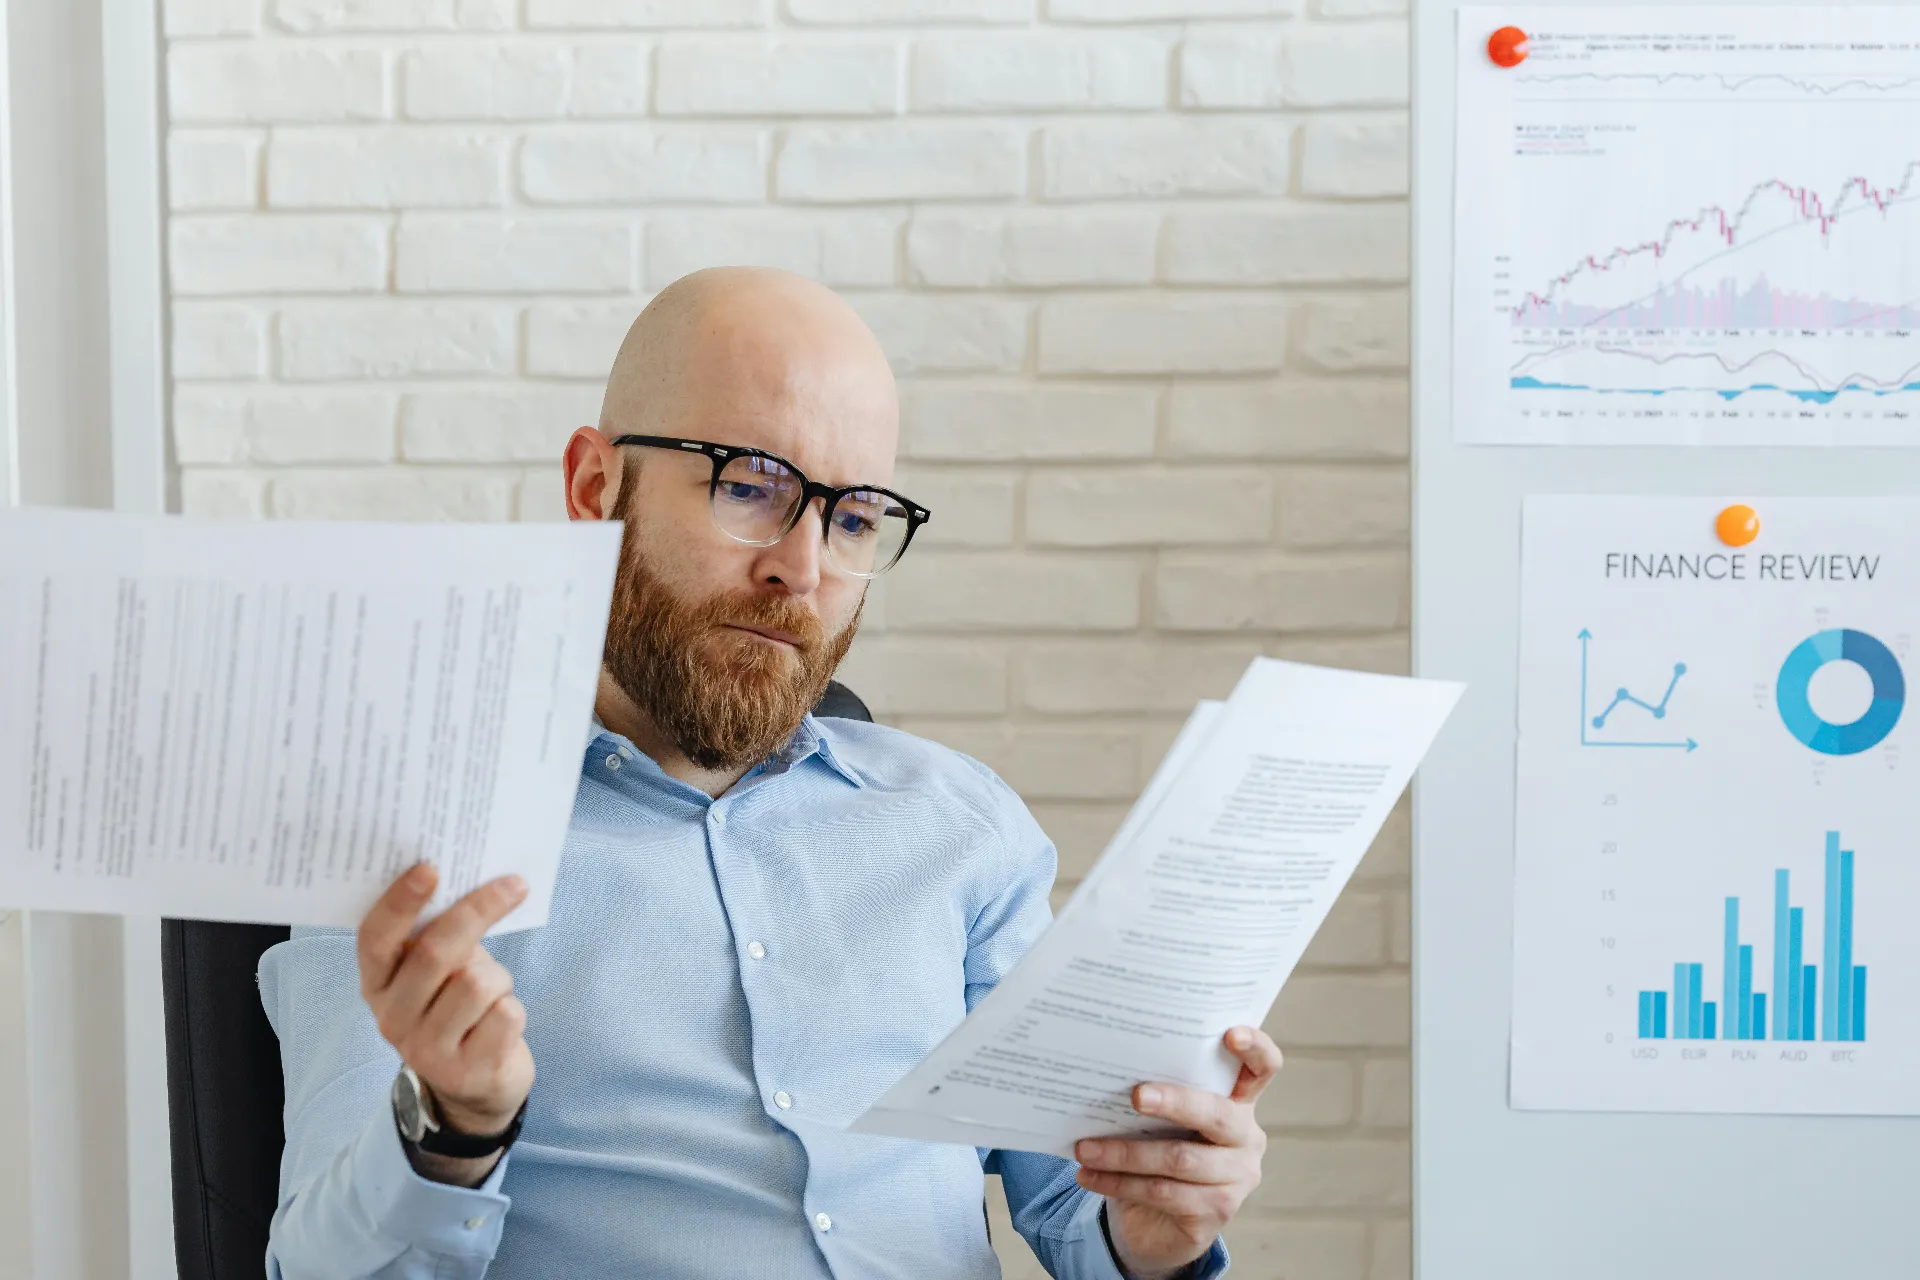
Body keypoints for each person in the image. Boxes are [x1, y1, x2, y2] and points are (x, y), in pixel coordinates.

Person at [260, 267, 1282, 1279]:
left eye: (852, 518)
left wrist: (1154, 1233)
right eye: (750, 485)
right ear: (592, 487)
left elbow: (1077, 1207)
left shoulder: (963, 827)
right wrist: (454, 1126)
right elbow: (315, 1264)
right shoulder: (415, 843)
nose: (802, 566)